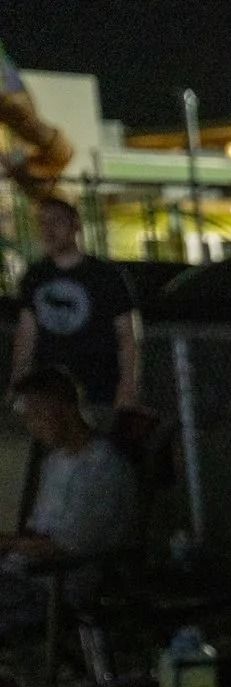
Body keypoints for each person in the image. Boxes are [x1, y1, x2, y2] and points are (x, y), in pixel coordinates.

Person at [0, 365, 138, 633]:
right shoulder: (55, 461)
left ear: (66, 408)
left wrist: (9, 544)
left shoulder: (102, 468)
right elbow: (39, 528)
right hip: (20, 575)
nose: (32, 426)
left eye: (37, 415)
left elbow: (70, 545)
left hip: (54, 587)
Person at [11, 196, 142, 429]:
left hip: (101, 391)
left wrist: (127, 387)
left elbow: (127, 336)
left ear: (75, 225)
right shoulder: (35, 277)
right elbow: (26, 335)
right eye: (42, 223)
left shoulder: (105, 276)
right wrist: (19, 382)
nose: (48, 230)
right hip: (51, 395)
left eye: (56, 222)